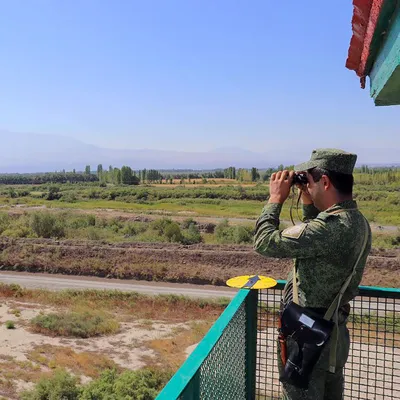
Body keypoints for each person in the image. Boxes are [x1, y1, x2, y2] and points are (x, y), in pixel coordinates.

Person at [253, 148, 372, 400]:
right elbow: (314, 242)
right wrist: (308, 198)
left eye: (310, 180)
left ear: (326, 182)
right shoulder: (357, 221)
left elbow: (264, 242)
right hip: (333, 336)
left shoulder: (329, 229)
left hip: (308, 340)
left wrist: (275, 199)